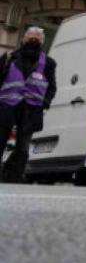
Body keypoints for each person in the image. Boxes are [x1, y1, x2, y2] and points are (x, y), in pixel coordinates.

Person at [0, 27, 57, 183]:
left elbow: (52, 87)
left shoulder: (48, 63)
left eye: (37, 39)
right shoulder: (9, 57)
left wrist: (45, 103)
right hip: (7, 106)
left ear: (41, 42)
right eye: (30, 38)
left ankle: (13, 176)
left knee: (23, 147)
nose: (33, 41)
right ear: (23, 40)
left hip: (32, 109)